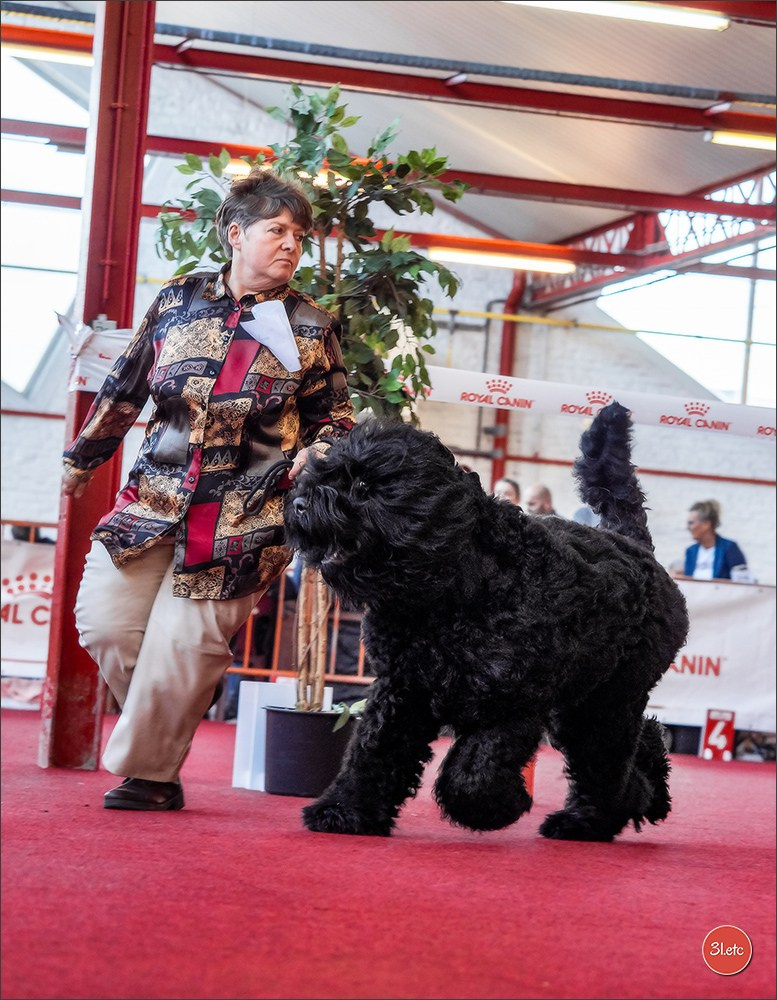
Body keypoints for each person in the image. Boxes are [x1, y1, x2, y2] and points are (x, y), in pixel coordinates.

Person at [61, 167, 355, 811]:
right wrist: (83, 457)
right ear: (233, 233)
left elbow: (334, 417)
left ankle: (151, 775)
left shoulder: (312, 325)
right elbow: (125, 386)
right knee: (106, 625)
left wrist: (320, 451)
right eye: (276, 231)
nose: (290, 246)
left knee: (188, 646)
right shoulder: (176, 301)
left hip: (246, 514)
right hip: (150, 503)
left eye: (300, 237)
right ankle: (163, 722)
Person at [683, 499, 748, 581]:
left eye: (691, 523)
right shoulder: (690, 551)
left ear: (707, 524)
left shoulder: (730, 548)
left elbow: (743, 582)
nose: (688, 528)